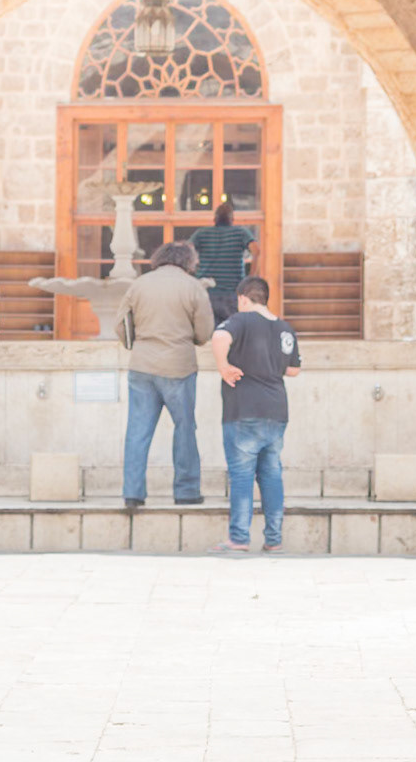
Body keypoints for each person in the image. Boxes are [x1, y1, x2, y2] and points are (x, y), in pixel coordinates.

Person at [119, 241, 214, 509]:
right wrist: (189, 339)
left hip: (141, 366)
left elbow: (120, 323)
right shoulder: (193, 287)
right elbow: (205, 332)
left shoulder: (139, 285)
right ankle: (186, 491)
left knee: (137, 432)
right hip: (179, 367)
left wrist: (137, 344)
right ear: (188, 262)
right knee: (185, 429)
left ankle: (133, 493)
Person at [209, 276, 300, 554]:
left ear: (243, 298)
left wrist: (223, 365)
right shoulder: (285, 328)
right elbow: (293, 370)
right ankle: (273, 539)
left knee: (242, 475)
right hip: (276, 410)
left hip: (243, 410)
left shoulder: (241, 319)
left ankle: (239, 538)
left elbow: (219, 336)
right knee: (272, 474)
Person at [190, 202, 258, 324]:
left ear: (214, 219)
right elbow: (256, 251)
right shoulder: (241, 232)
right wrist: (250, 278)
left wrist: (192, 273)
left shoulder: (202, 233)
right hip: (232, 291)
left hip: (207, 292)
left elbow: (187, 250)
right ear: (232, 219)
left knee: (207, 333)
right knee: (231, 332)